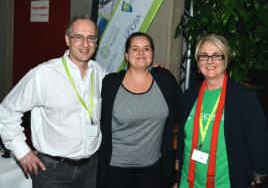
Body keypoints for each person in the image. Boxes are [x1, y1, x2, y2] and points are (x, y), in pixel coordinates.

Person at [0, 14, 107, 188]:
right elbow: (6, 112)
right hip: (52, 171)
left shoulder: (101, 74)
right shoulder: (43, 75)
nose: (85, 44)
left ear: (96, 42)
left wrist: (148, 70)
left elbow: (126, 88)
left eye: (91, 38)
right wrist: (22, 151)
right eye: (78, 37)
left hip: (91, 169)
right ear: (67, 40)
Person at [176, 34, 268, 188]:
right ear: (198, 63)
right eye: (204, 56)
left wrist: (256, 178)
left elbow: (259, 145)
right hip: (188, 182)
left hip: (226, 183)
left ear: (226, 60)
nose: (210, 61)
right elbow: (182, 141)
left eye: (216, 55)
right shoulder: (189, 96)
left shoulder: (243, 98)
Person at [97, 32, 182, 188]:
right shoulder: (110, 83)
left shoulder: (165, 80)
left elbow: (184, 113)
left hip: (154, 169)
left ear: (152, 54)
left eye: (146, 49)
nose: (141, 53)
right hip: (115, 170)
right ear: (126, 55)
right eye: (135, 49)